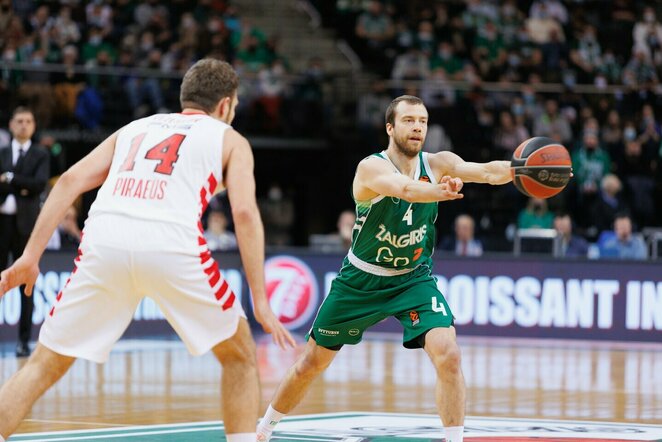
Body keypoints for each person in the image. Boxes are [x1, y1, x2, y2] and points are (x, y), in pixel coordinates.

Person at [0, 59, 295, 441]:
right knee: (238, 356)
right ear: (225, 105)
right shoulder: (231, 140)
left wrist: (29, 256)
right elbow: (244, 212)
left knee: (43, 364)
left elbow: (71, 180)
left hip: (104, 241)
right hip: (170, 244)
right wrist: (260, 299)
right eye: (234, 108)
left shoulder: (137, 127)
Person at [257, 95, 512, 442]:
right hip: (360, 281)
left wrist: (522, 169)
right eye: (408, 120)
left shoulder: (439, 162)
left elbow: (486, 171)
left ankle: (455, 440)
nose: (417, 127)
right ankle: (264, 429)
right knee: (310, 364)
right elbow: (405, 190)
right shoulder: (371, 168)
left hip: (413, 280)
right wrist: (439, 191)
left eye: (422, 121)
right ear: (390, 128)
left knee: (449, 354)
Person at [0, 107, 50, 357]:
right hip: (2, 226)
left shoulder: (40, 154)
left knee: (25, 285)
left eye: (28, 121)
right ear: (11, 124)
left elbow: (39, 184)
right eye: (19, 121)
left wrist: (9, 179)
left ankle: (23, 341)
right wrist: (21, 184)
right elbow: (27, 186)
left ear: (33, 125)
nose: (23, 125)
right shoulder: (2, 152)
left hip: (26, 227)